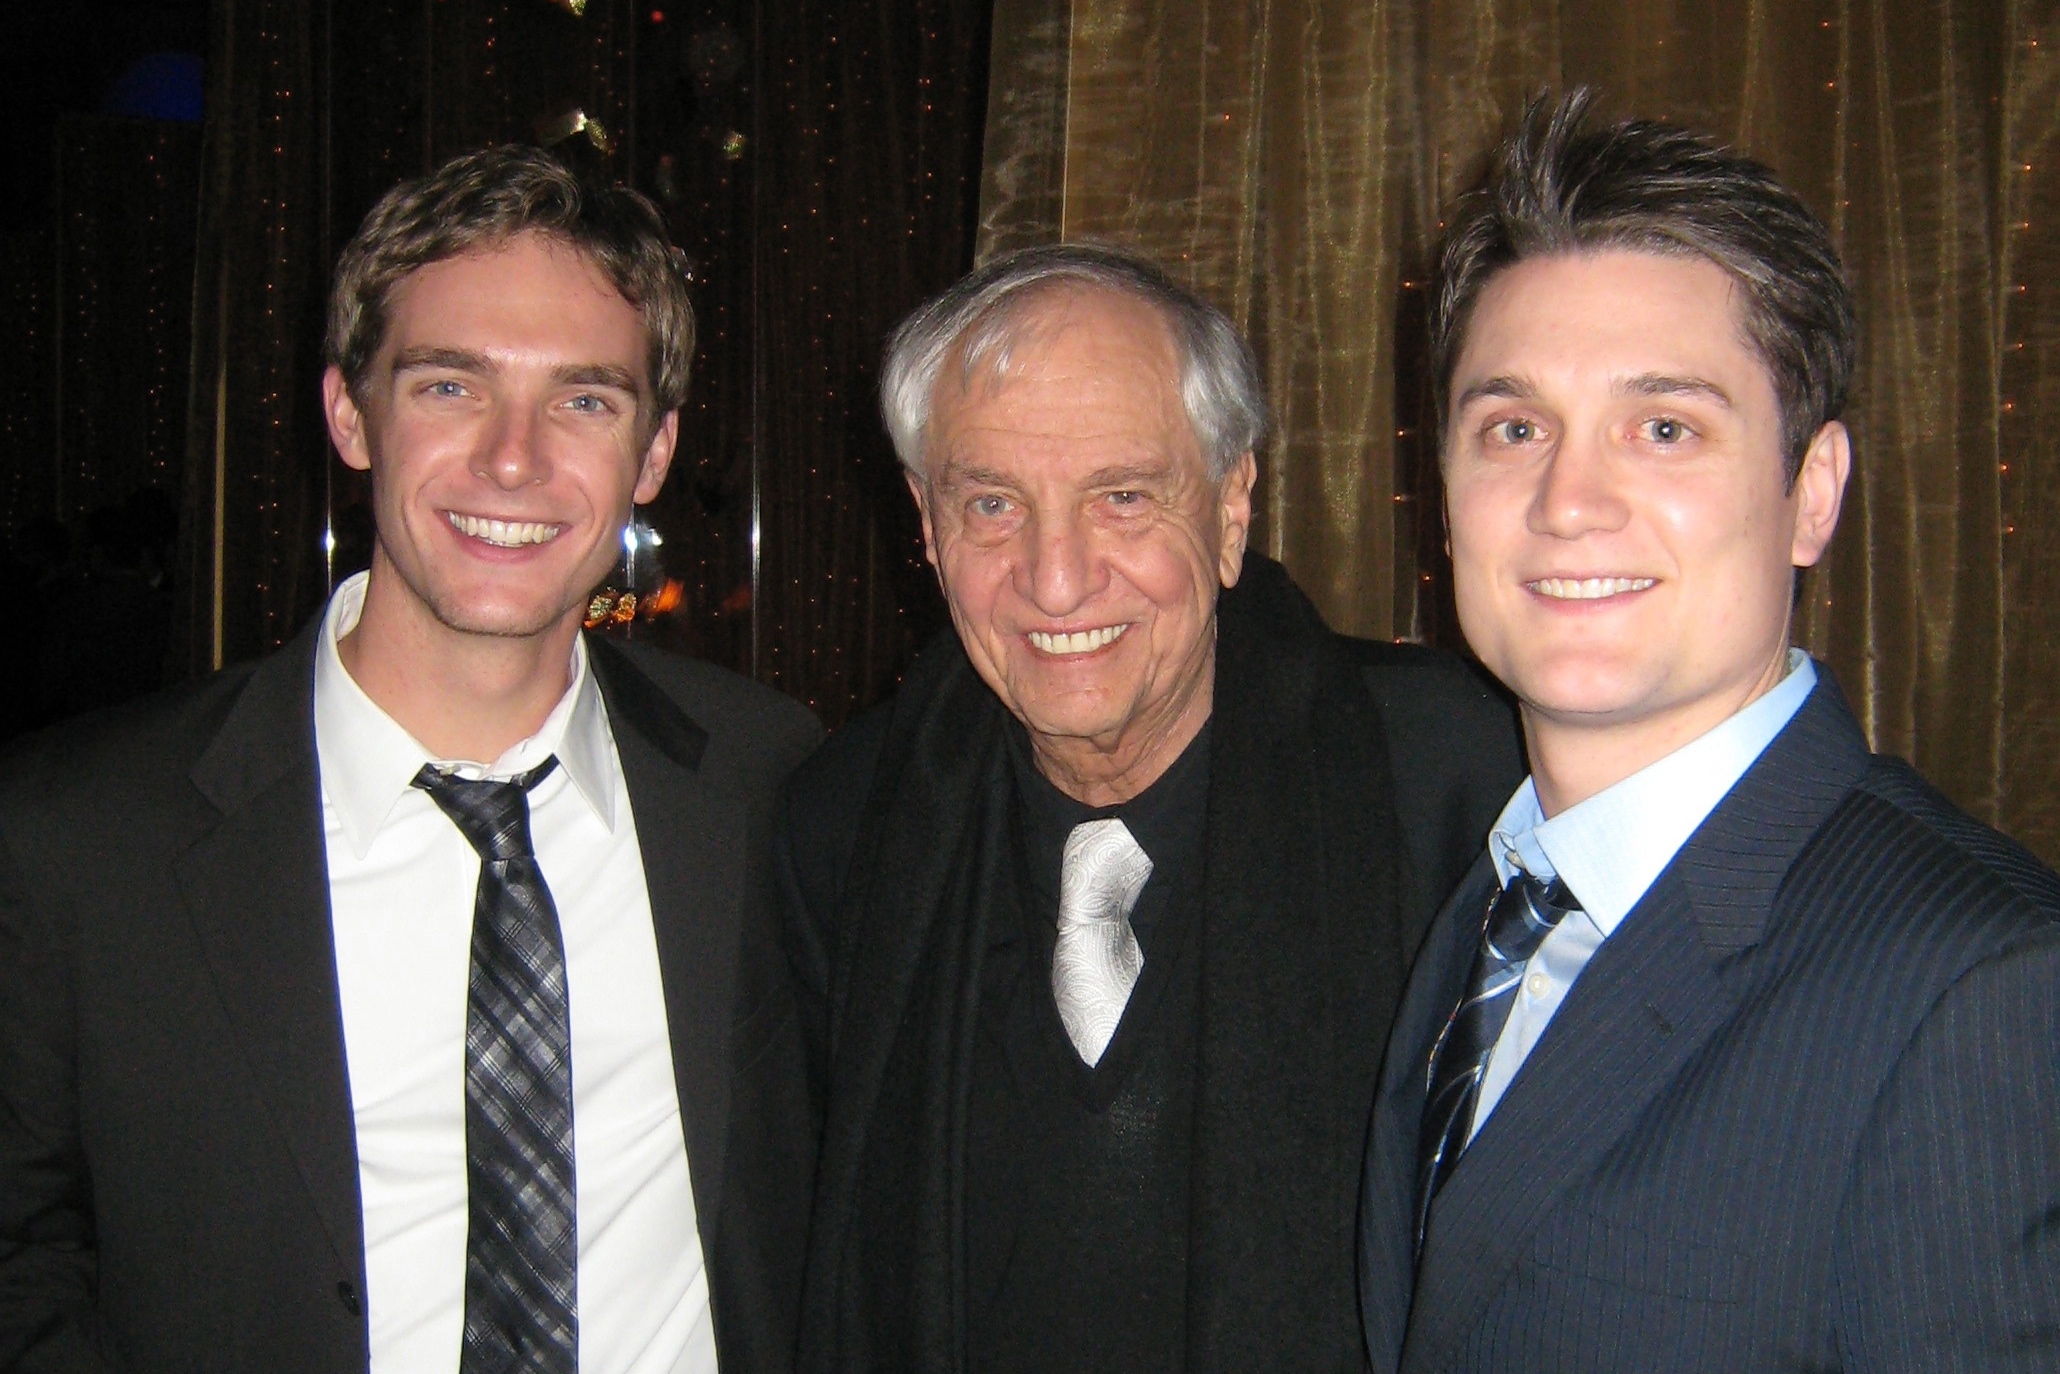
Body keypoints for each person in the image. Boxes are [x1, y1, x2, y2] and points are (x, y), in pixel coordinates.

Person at [0, 146, 820, 1372]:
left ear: (651, 455)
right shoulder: (76, 837)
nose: (511, 458)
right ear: (348, 411)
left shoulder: (775, 783)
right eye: (449, 387)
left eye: (586, 400)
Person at [1358, 92, 2060, 1372]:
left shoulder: (1984, 986)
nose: (1567, 503)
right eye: (1513, 429)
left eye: (1663, 427)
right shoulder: (1489, 900)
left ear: (1811, 491)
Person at [775, 243, 1523, 1373]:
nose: (1058, 577)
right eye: (991, 504)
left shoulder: (1454, 791)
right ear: (925, 530)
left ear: (1230, 509)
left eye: (1121, 498)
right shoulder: (841, 830)